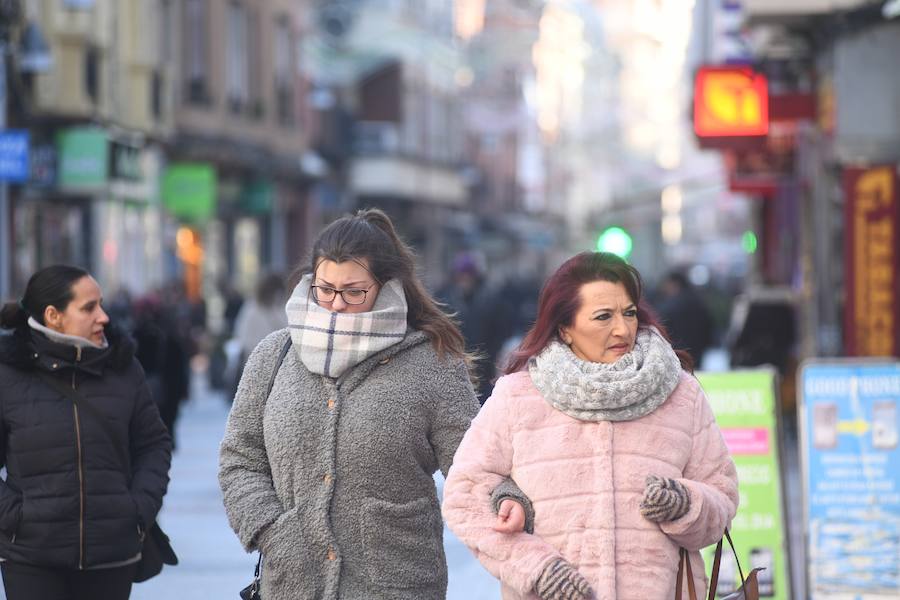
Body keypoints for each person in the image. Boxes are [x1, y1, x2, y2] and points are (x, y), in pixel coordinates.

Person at [218, 208, 521, 599]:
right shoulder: (275, 355)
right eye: (324, 289)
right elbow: (240, 459)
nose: (336, 304)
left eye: (353, 292)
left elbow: (474, 464)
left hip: (396, 585)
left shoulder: (431, 363)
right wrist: (272, 531)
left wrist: (505, 498)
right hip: (293, 584)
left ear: (386, 286)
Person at [442, 251, 738, 600]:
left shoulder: (680, 393)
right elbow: (465, 496)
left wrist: (686, 505)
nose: (622, 328)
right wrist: (536, 568)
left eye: (629, 313)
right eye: (603, 316)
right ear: (565, 328)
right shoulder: (518, 396)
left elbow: (722, 493)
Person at [0, 265, 172, 600]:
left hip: (111, 554)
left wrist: (138, 509)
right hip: (31, 558)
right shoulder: (9, 373)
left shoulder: (123, 367)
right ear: (54, 315)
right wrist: (13, 516)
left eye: (101, 304)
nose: (103, 316)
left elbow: (153, 444)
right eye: (88, 307)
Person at [229, 272, 288, 400]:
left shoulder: (280, 307)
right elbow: (245, 339)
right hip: (259, 366)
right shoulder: (253, 309)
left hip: (279, 367)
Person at [654, 270, 714, 367]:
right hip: (697, 351)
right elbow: (709, 326)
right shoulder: (698, 302)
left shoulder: (669, 305)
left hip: (676, 351)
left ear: (674, 284)